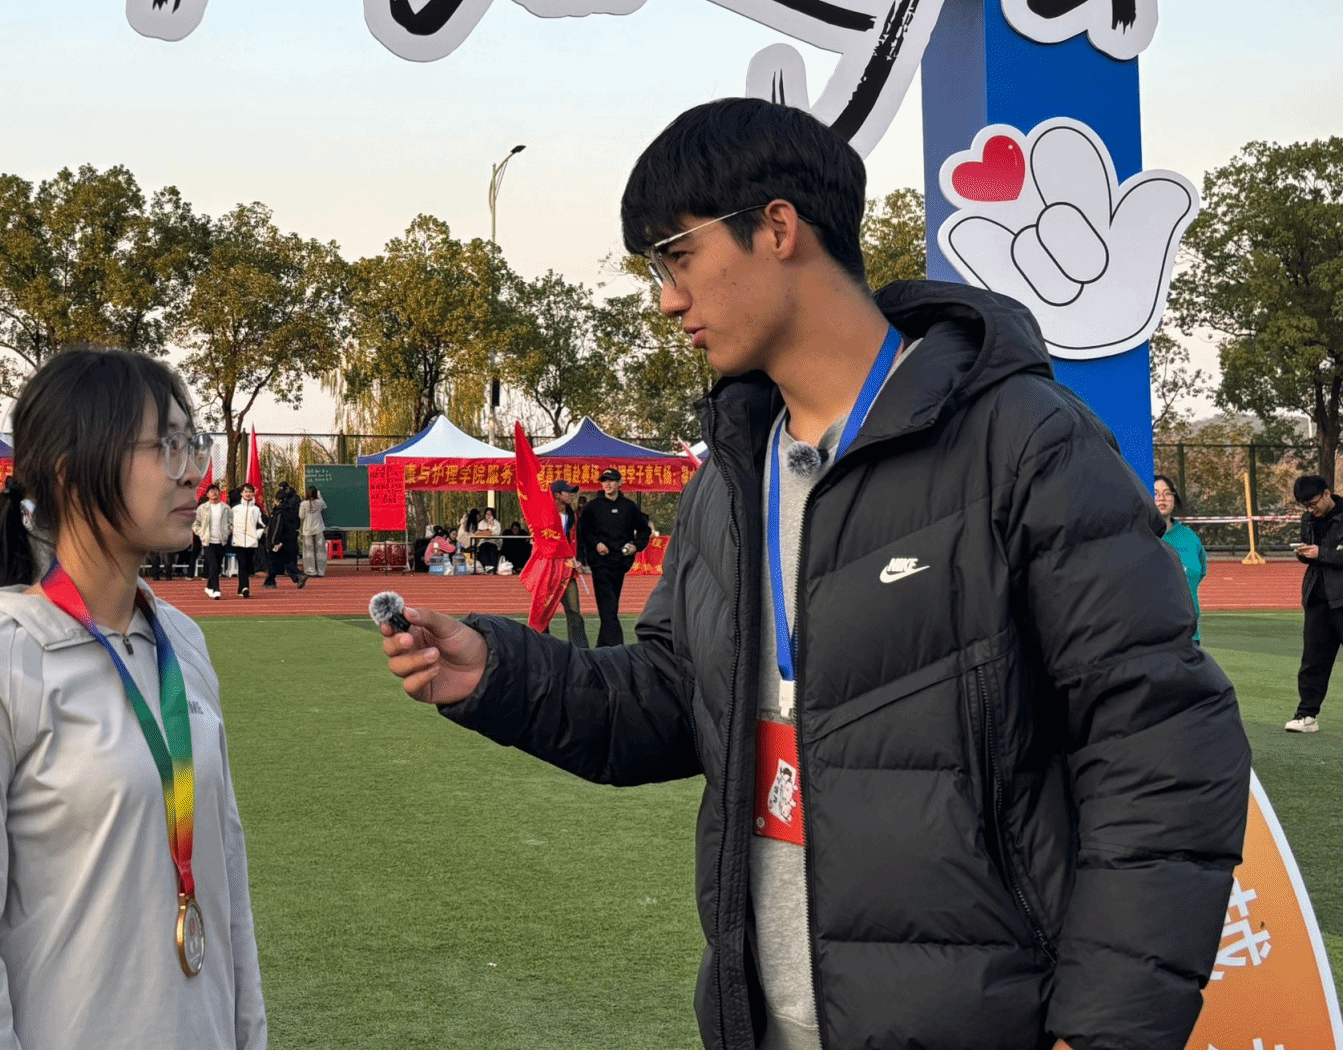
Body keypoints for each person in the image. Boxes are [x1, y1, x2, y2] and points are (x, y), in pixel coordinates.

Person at [377, 96, 1247, 1050]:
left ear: (779, 227)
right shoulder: (728, 479)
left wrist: (1107, 1030)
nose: (667, 299)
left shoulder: (1024, 442)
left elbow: (1161, 743)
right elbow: (674, 699)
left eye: (676, 257)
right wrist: (499, 674)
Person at [0, 347, 264, 1049]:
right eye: (165, 446)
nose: (192, 472)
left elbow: (227, 876)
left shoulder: (183, 643)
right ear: (73, 475)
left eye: (192, 443)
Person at [1287, 474, 1343, 732]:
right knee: (1313, 661)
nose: (1310, 510)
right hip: (1317, 598)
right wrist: (1304, 554)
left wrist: (1322, 553)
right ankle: (1306, 715)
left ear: (1327, 494)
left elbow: (1328, 555)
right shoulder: (1308, 519)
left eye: (1313, 504)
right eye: (1305, 506)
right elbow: (1313, 555)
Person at [575, 469, 650, 647]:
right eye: (604, 481)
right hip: (600, 563)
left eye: (611, 480)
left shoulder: (629, 506)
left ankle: (603, 647)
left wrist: (636, 546)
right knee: (608, 606)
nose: (607, 484)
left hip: (621, 562)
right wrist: (596, 544)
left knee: (610, 606)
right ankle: (616, 648)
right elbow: (583, 531)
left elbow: (644, 529)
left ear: (619, 483)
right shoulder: (592, 507)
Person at [1154, 476, 1207, 642]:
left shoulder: (1190, 538)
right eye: (1155, 494)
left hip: (1188, 635)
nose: (1162, 498)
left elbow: (1199, 572)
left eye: (1167, 493)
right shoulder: (1138, 536)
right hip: (1152, 637)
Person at [546, 480, 590, 648]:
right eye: (568, 492)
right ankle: (542, 647)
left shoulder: (572, 516)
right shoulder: (546, 514)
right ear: (557, 495)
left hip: (568, 572)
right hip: (548, 571)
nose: (572, 495)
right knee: (544, 612)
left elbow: (577, 541)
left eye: (573, 492)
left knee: (574, 611)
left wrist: (578, 560)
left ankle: (580, 650)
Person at [262, 483, 305, 589]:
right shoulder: (291, 510)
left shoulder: (279, 513)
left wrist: (274, 541)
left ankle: (271, 581)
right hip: (288, 540)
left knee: (273, 560)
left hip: (278, 542)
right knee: (283, 561)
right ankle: (296, 576)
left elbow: (277, 528)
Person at [227, 484, 266, 599]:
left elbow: (261, 524)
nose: (248, 494)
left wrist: (257, 536)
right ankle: (245, 587)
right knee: (242, 563)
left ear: (253, 493)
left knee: (248, 565)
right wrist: (231, 529)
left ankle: (241, 588)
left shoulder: (256, 509)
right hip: (238, 540)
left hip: (251, 541)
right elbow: (228, 522)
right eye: (246, 492)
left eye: (250, 492)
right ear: (241, 494)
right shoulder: (235, 508)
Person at [196, 482, 231, 599]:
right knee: (213, 565)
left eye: (216, 490)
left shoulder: (225, 508)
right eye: (211, 491)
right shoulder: (202, 508)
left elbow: (231, 522)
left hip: (221, 541)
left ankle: (209, 586)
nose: (214, 493)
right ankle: (216, 589)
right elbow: (196, 524)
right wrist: (201, 533)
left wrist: (227, 531)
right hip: (208, 541)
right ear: (207, 494)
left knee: (217, 565)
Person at [299, 486, 329, 578]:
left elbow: (301, 516)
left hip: (307, 530)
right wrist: (320, 496)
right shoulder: (319, 502)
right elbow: (325, 506)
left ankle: (311, 571)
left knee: (309, 551)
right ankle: (321, 571)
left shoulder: (304, 504)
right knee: (320, 550)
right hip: (319, 529)